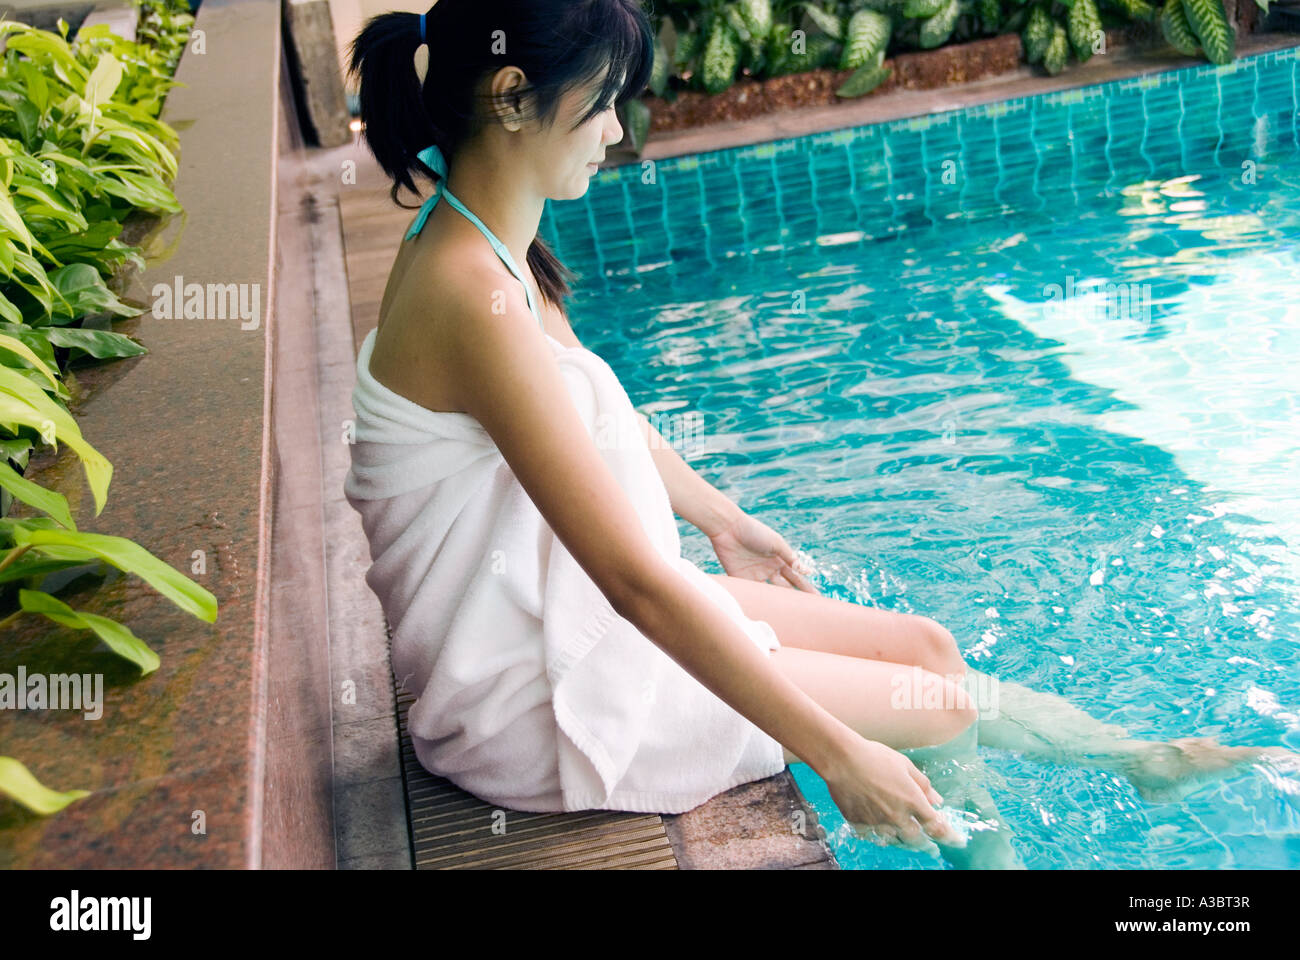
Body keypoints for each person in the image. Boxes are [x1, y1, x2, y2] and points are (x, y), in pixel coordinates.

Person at [343, 0, 1289, 868]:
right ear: (512, 98)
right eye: (600, 107)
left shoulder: (485, 236)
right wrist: (838, 755)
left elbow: (593, 408)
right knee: (941, 712)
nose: (618, 133)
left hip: (562, 633)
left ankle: (1136, 758)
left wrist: (724, 520)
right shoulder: (472, 293)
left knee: (925, 650)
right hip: (535, 704)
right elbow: (632, 584)